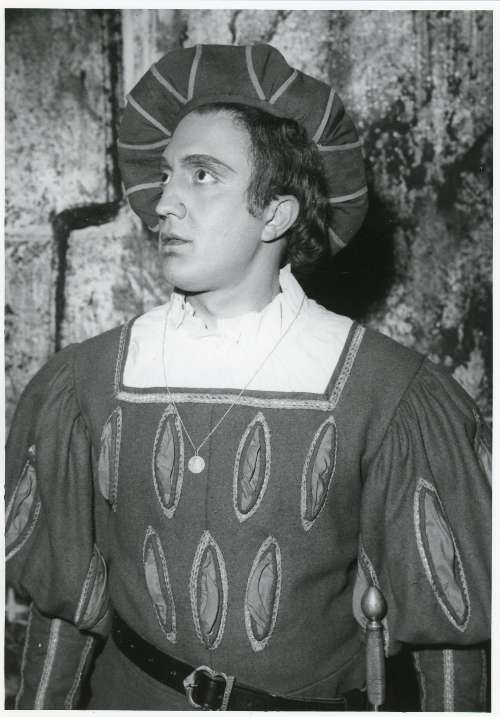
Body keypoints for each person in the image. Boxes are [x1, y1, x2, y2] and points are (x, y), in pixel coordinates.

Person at [6, 43, 490, 711]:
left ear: (277, 213)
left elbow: (450, 630)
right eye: (166, 176)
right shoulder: (87, 382)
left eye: (202, 175)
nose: (164, 203)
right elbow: (62, 605)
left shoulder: (387, 390)